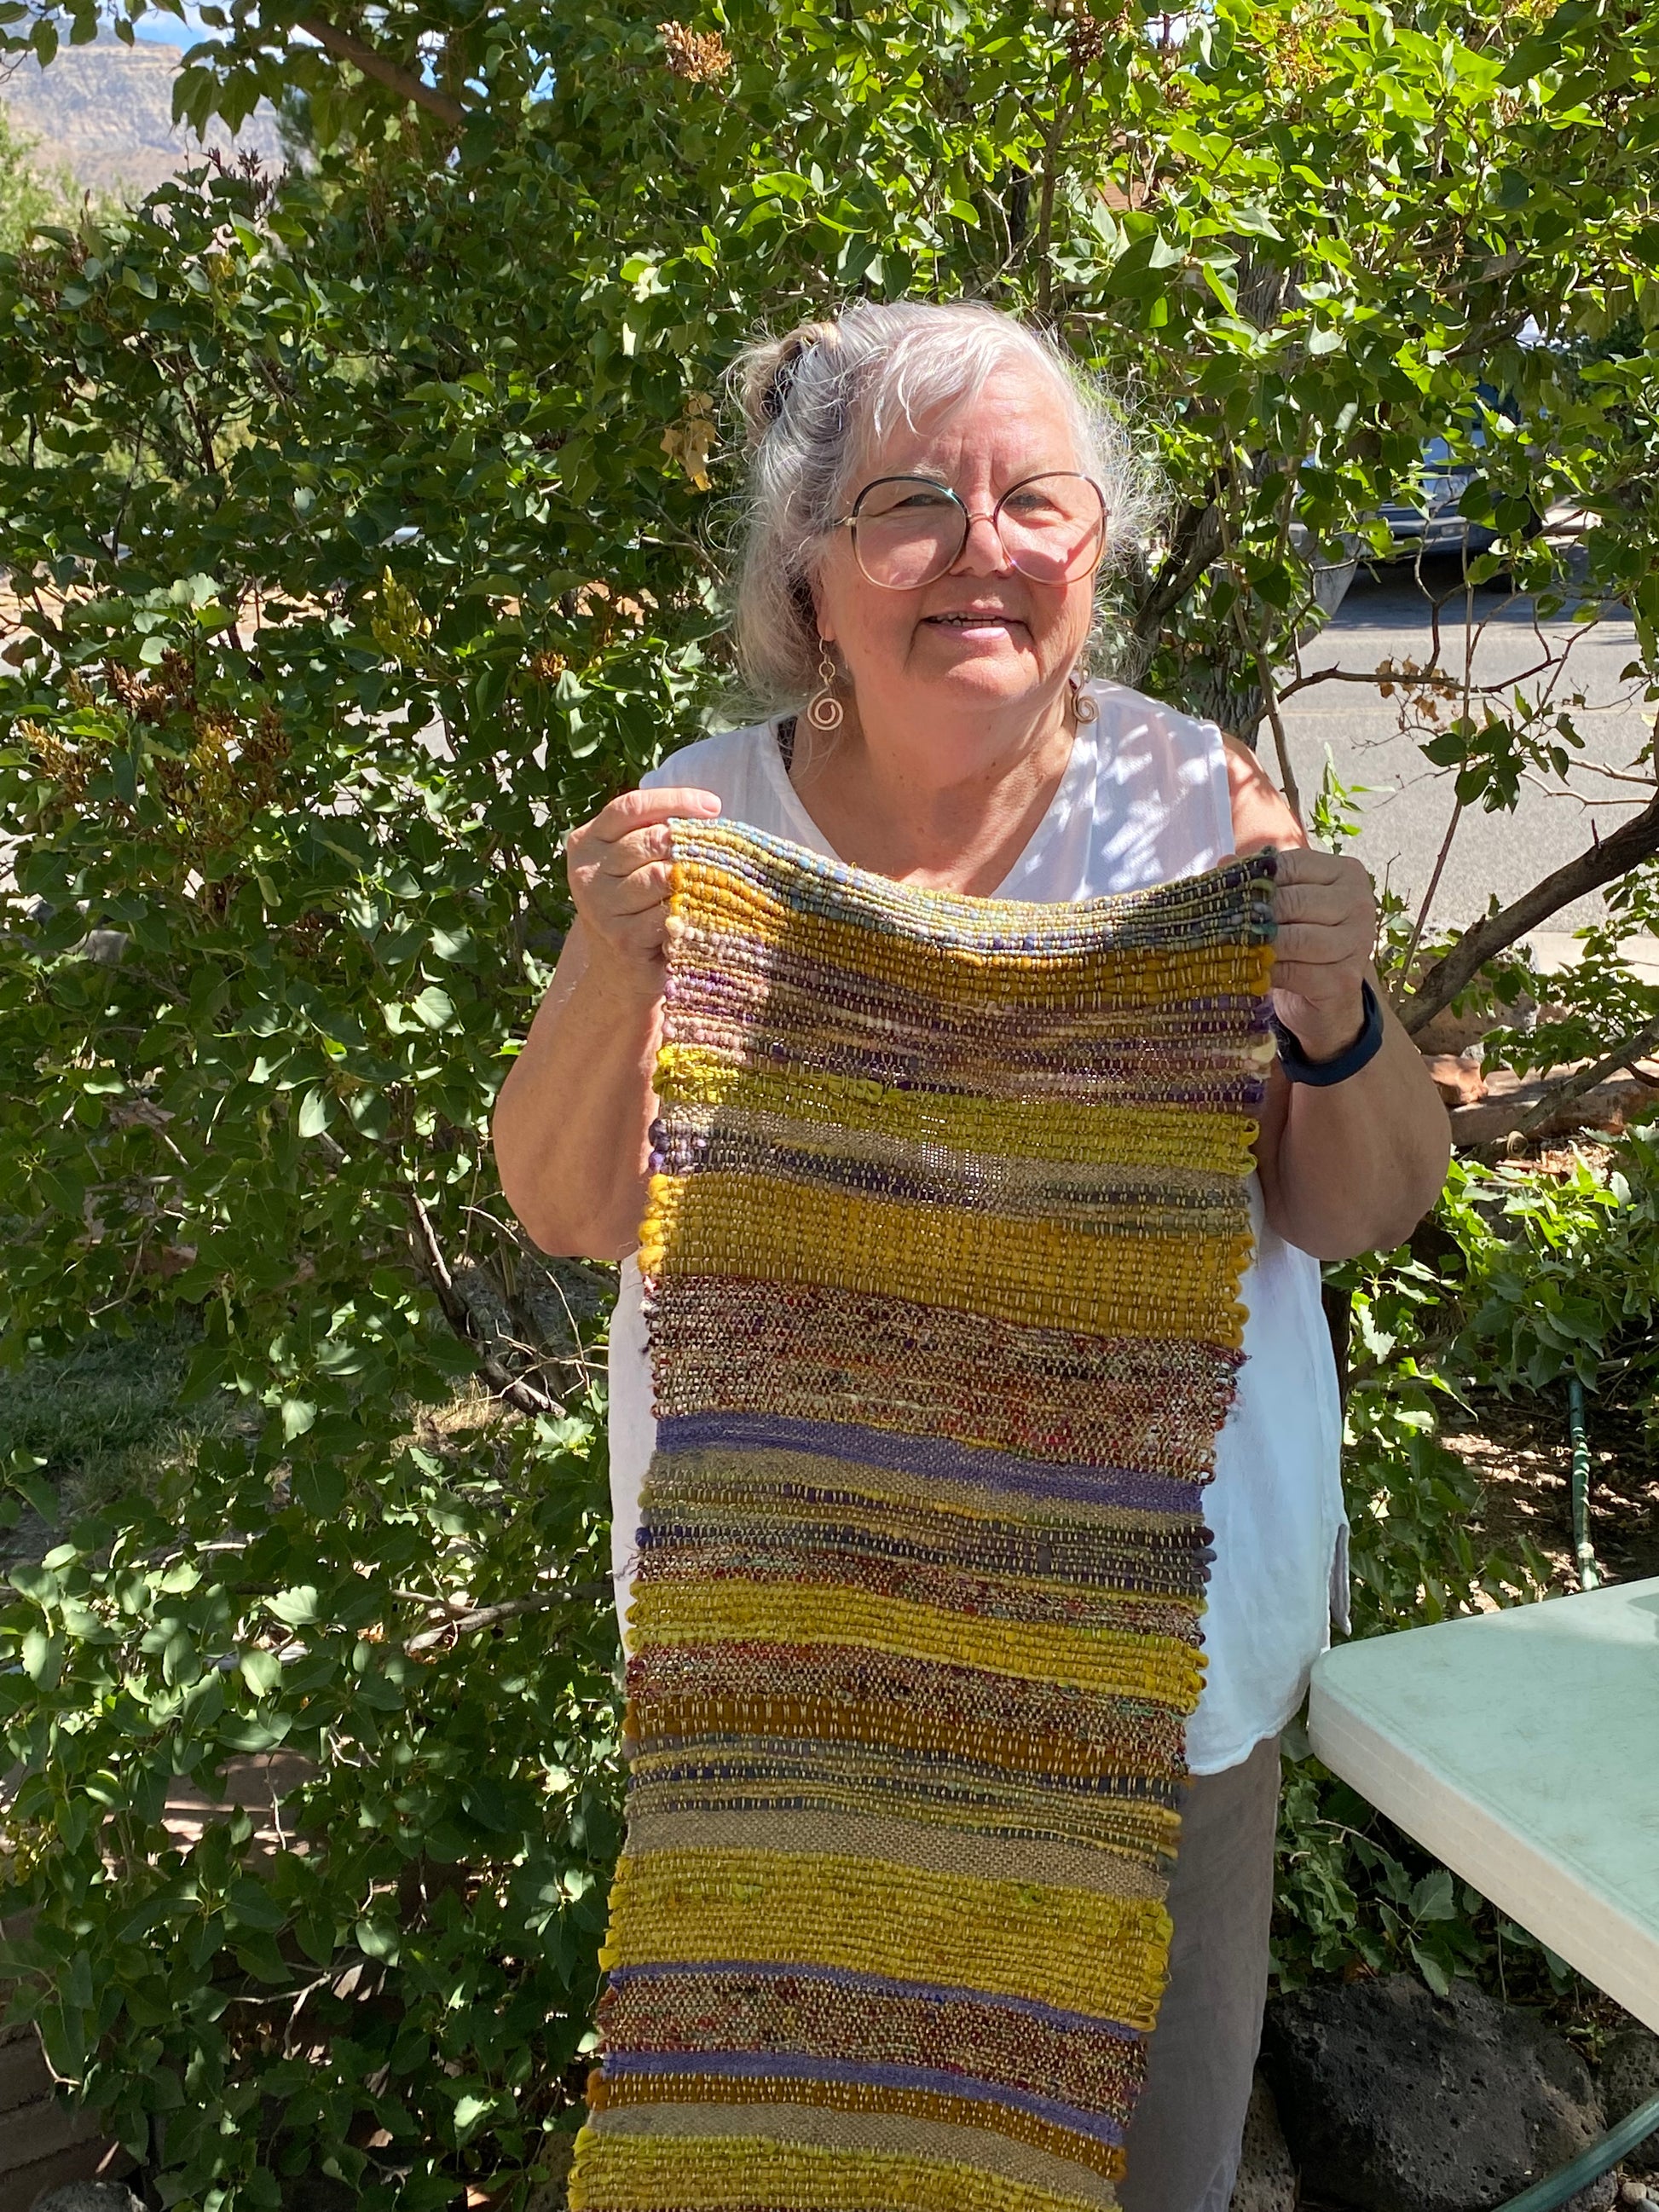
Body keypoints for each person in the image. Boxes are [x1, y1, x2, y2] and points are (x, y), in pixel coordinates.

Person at [493, 298, 1451, 2212]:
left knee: (1135, 2171)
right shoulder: (705, 823)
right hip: (797, 1656)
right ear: (810, 568)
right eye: (909, 504)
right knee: (786, 2155)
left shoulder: (1194, 805)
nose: (977, 549)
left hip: (1140, 1680)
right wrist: (608, 965)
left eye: (1033, 501)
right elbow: (573, 1208)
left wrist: (1337, 1013)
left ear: (1094, 546)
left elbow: (1361, 1205)